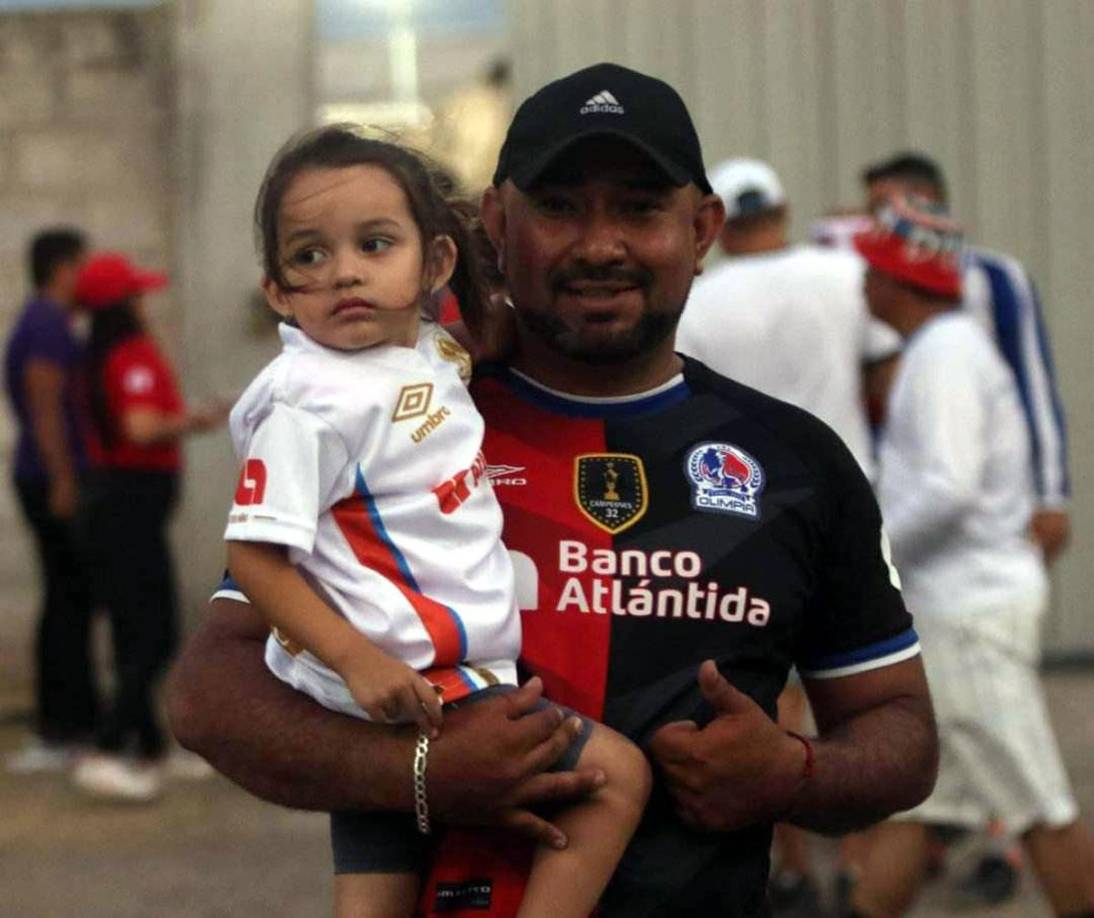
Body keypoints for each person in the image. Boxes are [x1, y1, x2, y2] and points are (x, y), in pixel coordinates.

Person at [169, 62, 938, 917]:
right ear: (499, 224)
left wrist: (793, 772)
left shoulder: (796, 463)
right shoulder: (406, 421)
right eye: (561, 207)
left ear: (702, 228)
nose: (600, 245)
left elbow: (901, 731)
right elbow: (209, 696)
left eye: (640, 209)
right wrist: (419, 771)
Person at [224, 124, 650, 918]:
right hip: (419, 683)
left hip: (407, 683)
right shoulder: (308, 406)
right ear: (278, 291)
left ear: (435, 264)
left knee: (373, 894)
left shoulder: (419, 349)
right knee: (618, 779)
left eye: (374, 244)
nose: (345, 271)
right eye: (310, 256)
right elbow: (252, 559)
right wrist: (359, 663)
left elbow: (470, 341)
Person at [847, 196, 1094, 917]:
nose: (861, 282)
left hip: (969, 615)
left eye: (870, 268)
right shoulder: (944, 350)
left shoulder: (944, 356)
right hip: (957, 610)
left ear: (898, 279)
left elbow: (947, 489)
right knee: (921, 805)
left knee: (1039, 803)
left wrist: (869, 557)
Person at [70, 253, 227, 802]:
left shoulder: (96, 356)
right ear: (121, 306)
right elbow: (139, 428)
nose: (145, 304)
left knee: (134, 628)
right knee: (153, 634)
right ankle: (107, 749)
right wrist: (194, 419)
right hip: (128, 507)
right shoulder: (130, 355)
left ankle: (150, 746)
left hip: (115, 505)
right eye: (136, 296)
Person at [862, 152, 1070, 565]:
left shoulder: (987, 289)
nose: (872, 222)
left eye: (882, 209)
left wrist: (1050, 494)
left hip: (974, 518)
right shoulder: (915, 324)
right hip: (928, 483)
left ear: (924, 201)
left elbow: (1031, 380)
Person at [3, 228, 98, 772]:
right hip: (48, 478)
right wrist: (63, 479)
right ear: (63, 269)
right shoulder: (44, 323)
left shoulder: (55, 321)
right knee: (66, 599)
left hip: (50, 474)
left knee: (72, 599)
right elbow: (44, 407)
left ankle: (72, 721)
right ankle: (61, 726)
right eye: (82, 266)